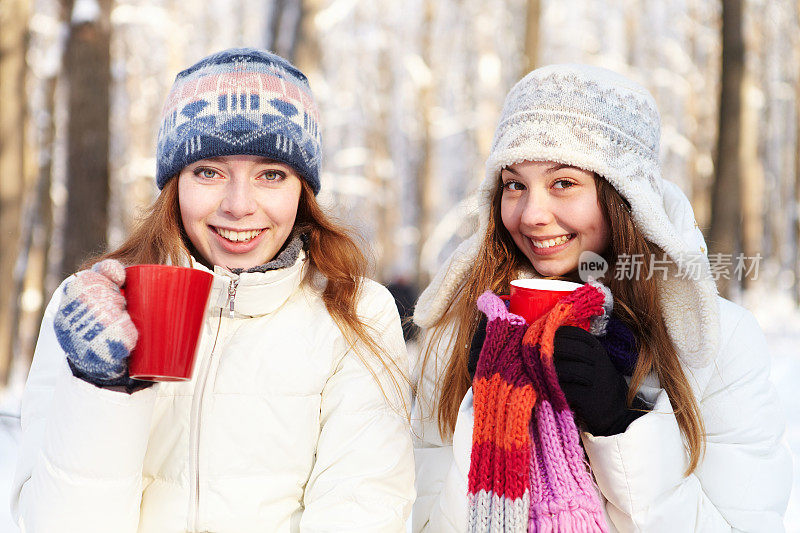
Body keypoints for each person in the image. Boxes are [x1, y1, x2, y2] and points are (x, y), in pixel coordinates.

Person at [11, 48, 415, 532]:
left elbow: (362, 512)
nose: (239, 205)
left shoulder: (356, 314)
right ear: (174, 183)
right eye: (209, 171)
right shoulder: (94, 309)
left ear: (302, 189)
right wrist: (103, 389)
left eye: (271, 174)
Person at [410, 64, 792, 532]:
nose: (532, 214)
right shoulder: (461, 329)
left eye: (563, 183)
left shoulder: (715, 342)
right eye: (515, 185)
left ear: (625, 196)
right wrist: (485, 411)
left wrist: (620, 425)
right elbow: (421, 520)